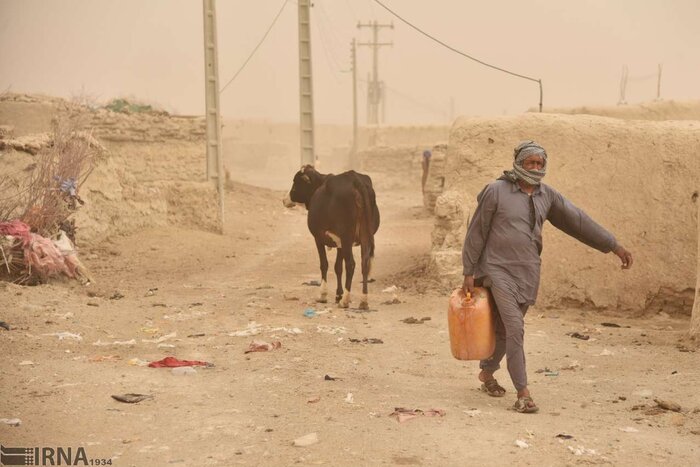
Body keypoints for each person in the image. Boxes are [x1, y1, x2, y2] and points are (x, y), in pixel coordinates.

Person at [461, 140, 633, 413]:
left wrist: (614, 245)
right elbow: (477, 231)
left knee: (505, 331)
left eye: (540, 163)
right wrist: (469, 270)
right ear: (518, 162)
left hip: (528, 271)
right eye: (530, 162)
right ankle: (523, 393)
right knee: (515, 327)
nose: (535, 167)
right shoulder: (496, 191)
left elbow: (578, 221)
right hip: (497, 269)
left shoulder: (547, 195)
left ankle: (487, 373)